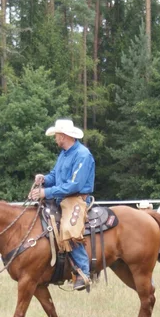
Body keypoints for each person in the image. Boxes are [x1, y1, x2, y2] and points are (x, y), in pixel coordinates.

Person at [29, 119, 95, 291]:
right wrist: (44, 179)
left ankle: (83, 273)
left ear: (64, 136)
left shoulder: (83, 155)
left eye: (57, 135)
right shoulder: (64, 154)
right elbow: (55, 177)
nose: (55, 138)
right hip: (61, 198)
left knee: (68, 229)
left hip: (76, 199)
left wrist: (46, 192)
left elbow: (75, 185)